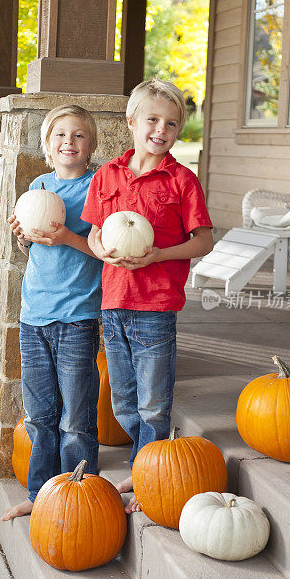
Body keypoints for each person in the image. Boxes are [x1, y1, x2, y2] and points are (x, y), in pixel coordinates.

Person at [82, 78, 214, 513]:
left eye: (171, 123)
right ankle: (145, 468)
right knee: (122, 401)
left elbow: (203, 240)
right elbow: (97, 232)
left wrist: (159, 254)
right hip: (114, 300)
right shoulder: (107, 175)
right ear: (132, 122)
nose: (161, 129)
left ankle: (150, 479)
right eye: (153, 120)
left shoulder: (181, 180)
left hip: (156, 305)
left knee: (153, 403)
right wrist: (101, 249)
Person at [1, 105, 103, 522]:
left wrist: (65, 236)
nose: (69, 142)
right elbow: (33, 247)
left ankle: (79, 495)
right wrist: (24, 237)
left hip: (77, 313)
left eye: (79, 135)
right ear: (47, 145)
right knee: (41, 414)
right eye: (60, 135)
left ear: (91, 145)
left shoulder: (99, 187)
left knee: (76, 416)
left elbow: (100, 250)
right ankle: (41, 492)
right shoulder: (39, 184)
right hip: (34, 314)